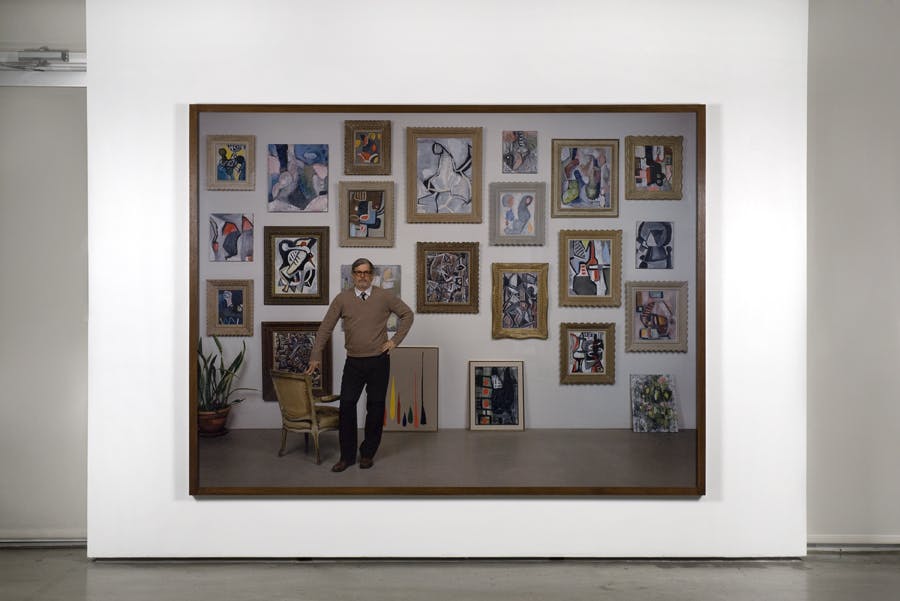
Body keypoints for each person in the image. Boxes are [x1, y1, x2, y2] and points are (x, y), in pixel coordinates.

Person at [305, 258, 414, 472]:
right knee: (346, 405)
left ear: (372, 275)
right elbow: (325, 328)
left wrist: (394, 341)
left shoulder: (384, 296)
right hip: (353, 362)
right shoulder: (342, 299)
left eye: (366, 272)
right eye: (358, 272)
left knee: (375, 408)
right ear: (352, 276)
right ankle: (346, 456)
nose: (362, 276)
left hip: (379, 361)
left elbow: (407, 314)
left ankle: (367, 454)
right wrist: (315, 355)